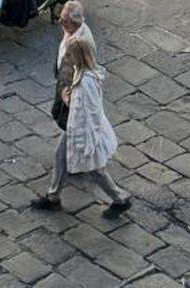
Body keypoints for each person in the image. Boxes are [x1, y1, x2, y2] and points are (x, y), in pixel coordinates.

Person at [35, 33, 132, 216]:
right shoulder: (88, 74)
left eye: (69, 55)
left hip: (84, 133)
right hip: (77, 129)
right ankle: (53, 196)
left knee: (96, 170)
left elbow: (84, 111)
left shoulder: (85, 82)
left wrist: (67, 100)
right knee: (60, 156)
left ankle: (120, 199)